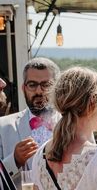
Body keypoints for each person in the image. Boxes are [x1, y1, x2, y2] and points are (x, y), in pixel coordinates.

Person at [0, 58, 61, 186]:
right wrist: (14, 161)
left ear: (57, 87)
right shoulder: (3, 127)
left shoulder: (73, 125)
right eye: (32, 85)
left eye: (46, 85)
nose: (39, 91)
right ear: (23, 88)